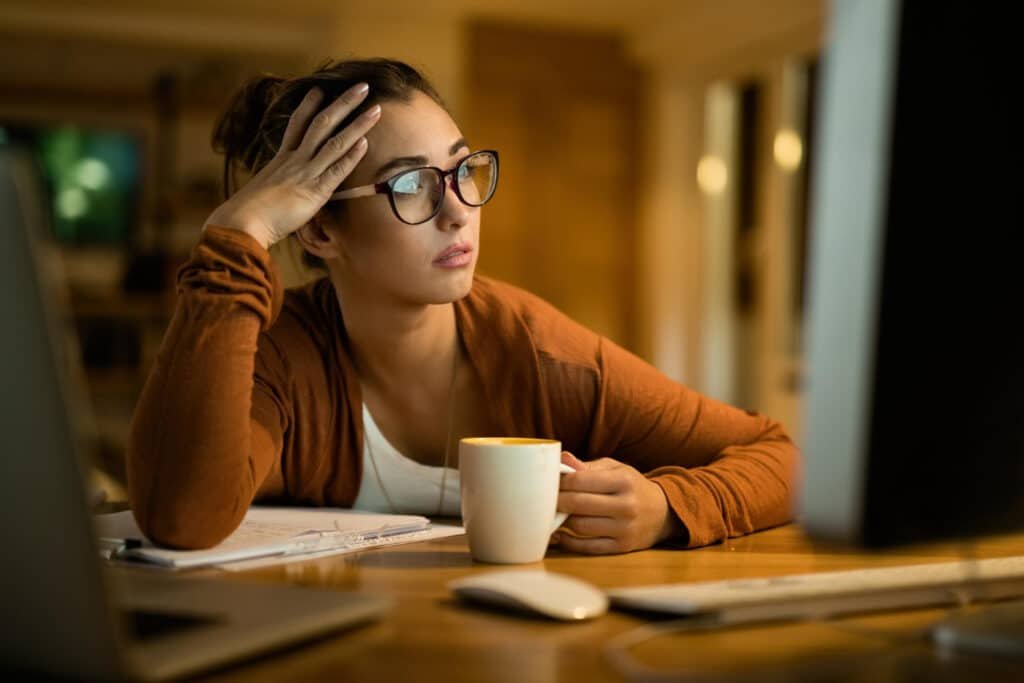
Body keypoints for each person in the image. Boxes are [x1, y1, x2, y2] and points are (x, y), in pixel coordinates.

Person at [127, 58, 799, 554]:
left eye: (463, 169)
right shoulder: (280, 353)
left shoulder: (541, 353)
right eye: (411, 184)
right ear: (322, 230)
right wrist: (237, 235)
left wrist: (667, 505)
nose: (458, 211)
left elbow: (782, 456)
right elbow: (181, 517)